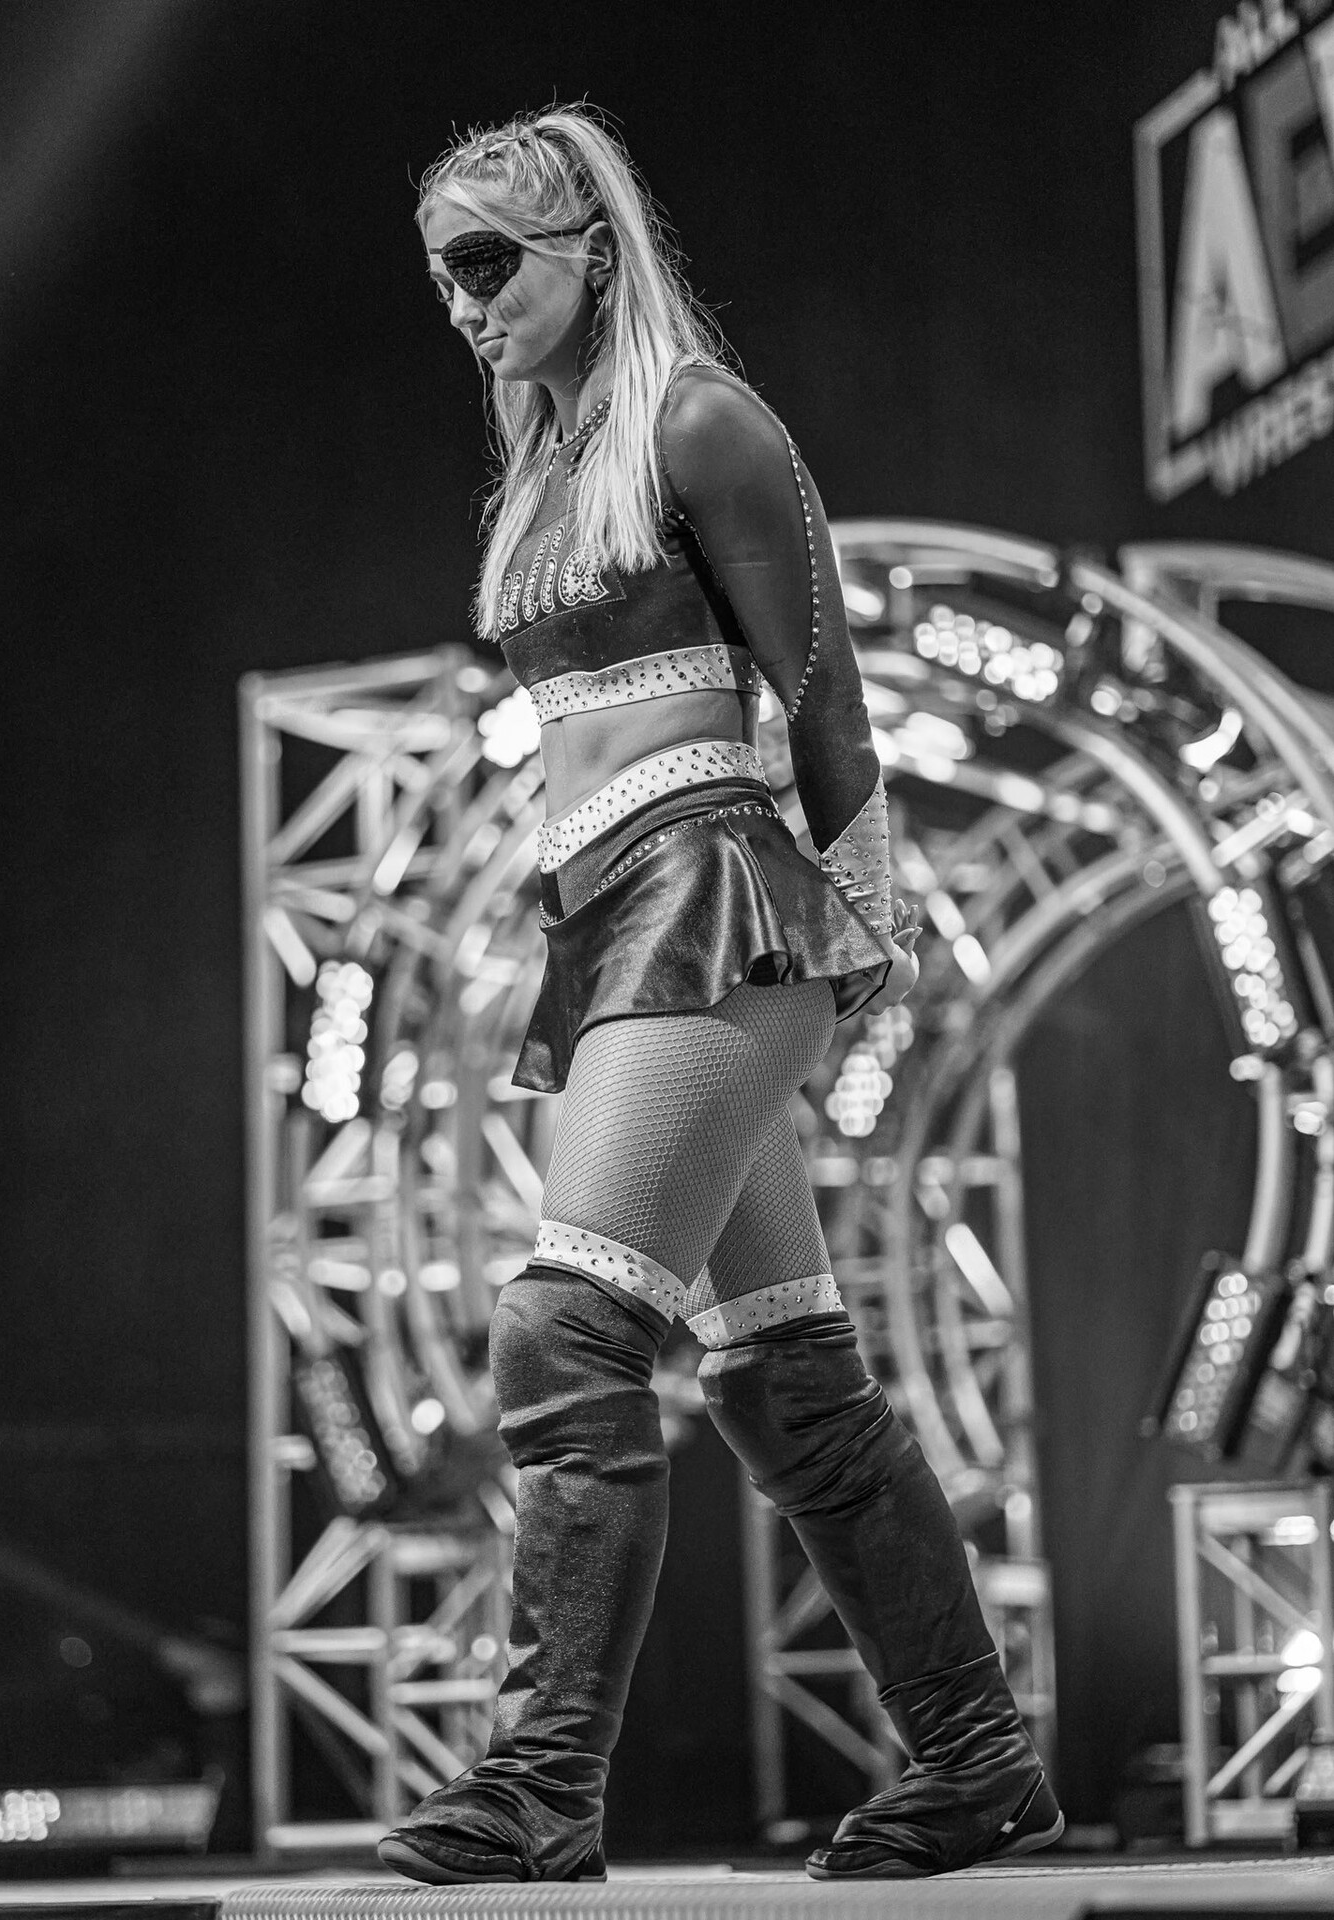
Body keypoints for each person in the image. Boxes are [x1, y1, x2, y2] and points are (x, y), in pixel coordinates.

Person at [377, 104, 1062, 1885]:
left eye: (488, 262)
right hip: (613, 914)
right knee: (783, 1376)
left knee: (563, 1332)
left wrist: (865, 924)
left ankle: (541, 1784)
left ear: (590, 247)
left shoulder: (698, 420)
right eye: (440, 274)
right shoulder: (545, 467)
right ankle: (976, 1763)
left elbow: (824, 695)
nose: (462, 304)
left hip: (717, 899)